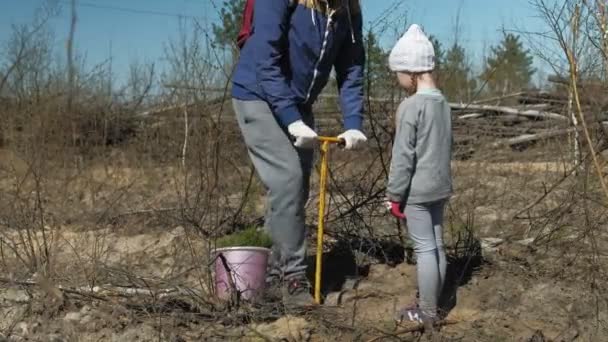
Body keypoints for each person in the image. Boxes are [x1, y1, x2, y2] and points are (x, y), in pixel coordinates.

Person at [231, 0, 367, 306]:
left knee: (295, 188)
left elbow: (352, 66)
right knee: (287, 180)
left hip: (297, 104)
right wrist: (291, 118)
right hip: (258, 94)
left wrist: (354, 123)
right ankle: (291, 279)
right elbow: (266, 59)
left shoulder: (348, 9)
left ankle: (266, 275)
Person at [385, 24, 453, 329]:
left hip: (417, 191)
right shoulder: (443, 103)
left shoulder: (410, 106)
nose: (397, 79)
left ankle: (426, 312)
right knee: (437, 246)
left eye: (398, 72)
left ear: (411, 71)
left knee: (424, 249)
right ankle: (434, 303)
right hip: (440, 186)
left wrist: (394, 195)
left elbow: (403, 157)